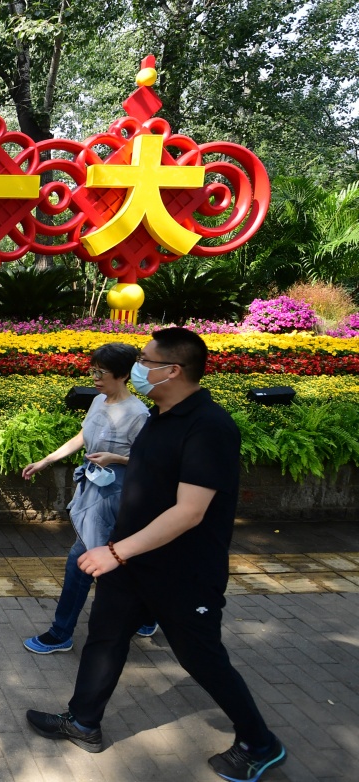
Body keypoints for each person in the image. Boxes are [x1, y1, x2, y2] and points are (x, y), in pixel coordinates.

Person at [26, 328, 286, 782]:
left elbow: (189, 511)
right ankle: (83, 721)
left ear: (173, 370)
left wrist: (114, 551)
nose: (137, 368)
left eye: (145, 360)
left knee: (200, 656)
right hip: (132, 561)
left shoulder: (209, 427)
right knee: (105, 636)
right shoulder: (158, 416)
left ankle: (260, 743)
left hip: (183, 570)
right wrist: (118, 548)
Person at [20, 342, 154, 654]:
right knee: (122, 558)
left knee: (81, 561)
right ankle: (147, 616)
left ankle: (60, 633)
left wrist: (115, 458)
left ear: (122, 375)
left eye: (101, 373)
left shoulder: (138, 413)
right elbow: (83, 436)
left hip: (116, 494)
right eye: (92, 371)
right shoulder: (98, 401)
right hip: (93, 486)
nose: (94, 378)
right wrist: (47, 460)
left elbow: (149, 461)